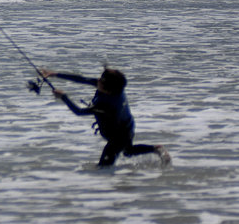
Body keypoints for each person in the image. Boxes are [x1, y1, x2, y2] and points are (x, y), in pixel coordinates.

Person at [39, 67, 170, 168]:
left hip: (118, 137)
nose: (98, 81)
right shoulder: (112, 87)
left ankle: (106, 190)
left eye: (101, 81)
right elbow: (81, 79)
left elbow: (79, 112)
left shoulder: (106, 106)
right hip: (127, 126)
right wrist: (54, 74)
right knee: (128, 151)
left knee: (103, 168)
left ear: (109, 90)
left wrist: (64, 97)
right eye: (101, 78)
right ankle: (156, 149)